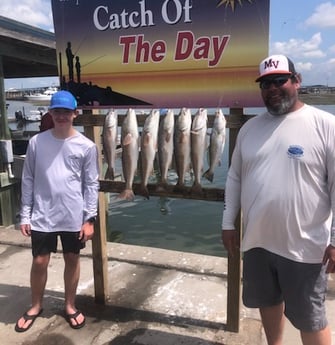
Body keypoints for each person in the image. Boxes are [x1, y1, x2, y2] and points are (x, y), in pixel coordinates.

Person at [221, 54, 335, 345]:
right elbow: (234, 178)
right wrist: (228, 224)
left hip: (305, 247)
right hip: (257, 241)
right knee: (268, 303)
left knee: (311, 317)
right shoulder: (249, 129)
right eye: (266, 83)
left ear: (296, 81)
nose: (272, 88)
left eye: (279, 80)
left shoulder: (325, 124)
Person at [15, 90, 99, 332]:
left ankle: (70, 305)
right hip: (42, 214)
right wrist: (25, 214)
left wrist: (89, 218)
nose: (61, 116)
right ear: (50, 113)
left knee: (72, 259)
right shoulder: (36, 142)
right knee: (40, 261)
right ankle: (35, 305)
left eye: (66, 111)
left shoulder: (87, 146)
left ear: (75, 113)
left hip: (73, 215)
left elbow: (91, 184)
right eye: (57, 111)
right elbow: (28, 179)